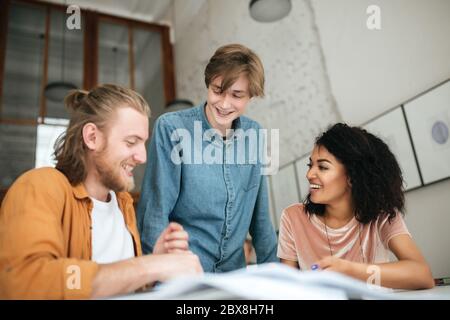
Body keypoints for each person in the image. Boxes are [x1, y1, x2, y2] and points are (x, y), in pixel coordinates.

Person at [0, 84, 202, 299]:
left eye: (142, 143)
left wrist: (156, 262)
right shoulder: (39, 186)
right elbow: (27, 281)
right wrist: (149, 266)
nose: (142, 157)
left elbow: (120, 284)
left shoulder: (122, 203)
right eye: (131, 142)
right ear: (92, 137)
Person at [137, 44, 278, 272]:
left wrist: (277, 279)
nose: (223, 104)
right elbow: (155, 212)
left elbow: (261, 219)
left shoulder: (255, 136)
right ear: (208, 83)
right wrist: (154, 279)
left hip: (233, 276)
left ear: (251, 96)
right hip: (183, 273)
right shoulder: (172, 128)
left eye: (236, 95)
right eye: (217, 90)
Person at [278, 123, 434, 289]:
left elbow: (422, 275)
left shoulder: (382, 216)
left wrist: (349, 270)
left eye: (322, 167)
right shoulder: (293, 218)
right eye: (310, 165)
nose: (309, 174)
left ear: (353, 176)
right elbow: (287, 290)